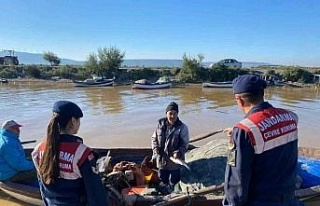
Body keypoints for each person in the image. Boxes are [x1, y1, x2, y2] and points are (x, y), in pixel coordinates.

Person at [223, 74, 301, 206]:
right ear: (262, 94)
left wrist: (239, 133)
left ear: (239, 100)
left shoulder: (245, 129)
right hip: (289, 197)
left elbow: (236, 180)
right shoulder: (291, 116)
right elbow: (271, 125)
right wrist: (239, 132)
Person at [31, 100, 108, 206]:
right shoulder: (81, 153)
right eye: (79, 120)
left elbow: (43, 187)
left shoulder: (39, 149)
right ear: (73, 121)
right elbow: (95, 193)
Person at [151, 101, 189, 192]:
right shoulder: (160, 126)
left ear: (177, 114)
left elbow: (185, 144)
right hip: (161, 159)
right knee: (162, 177)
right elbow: (153, 138)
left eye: (175, 113)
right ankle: (164, 188)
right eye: (170, 113)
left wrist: (179, 152)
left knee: (174, 180)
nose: (172, 116)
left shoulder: (183, 127)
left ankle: (172, 190)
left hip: (175, 161)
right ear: (166, 113)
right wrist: (155, 148)